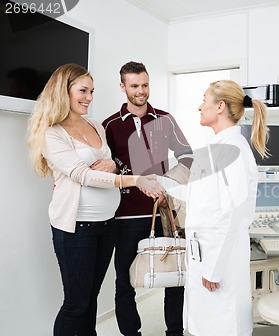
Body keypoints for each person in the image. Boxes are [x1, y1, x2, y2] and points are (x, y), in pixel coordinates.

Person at [26, 63, 164, 336]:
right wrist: (134, 179)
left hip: (106, 226)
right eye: (83, 91)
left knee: (90, 298)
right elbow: (82, 174)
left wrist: (113, 165)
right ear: (63, 92)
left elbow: (108, 161)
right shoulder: (52, 132)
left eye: (92, 91)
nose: (89, 97)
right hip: (77, 228)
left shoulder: (95, 125)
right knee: (75, 304)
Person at [157, 79, 269, 336]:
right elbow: (204, 196)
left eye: (204, 100)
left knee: (221, 326)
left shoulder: (234, 150)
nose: (199, 106)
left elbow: (233, 214)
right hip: (204, 253)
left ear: (219, 106)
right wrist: (163, 186)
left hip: (219, 261)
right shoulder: (218, 148)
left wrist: (214, 269)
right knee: (205, 324)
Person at [102, 61, 193, 336]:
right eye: (134, 86)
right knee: (125, 282)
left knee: (176, 276)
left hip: (164, 212)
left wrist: (166, 185)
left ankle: (174, 332)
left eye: (144, 85)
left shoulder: (165, 119)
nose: (141, 91)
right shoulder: (109, 126)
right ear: (123, 87)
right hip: (125, 215)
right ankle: (131, 333)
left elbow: (188, 156)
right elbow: (106, 168)